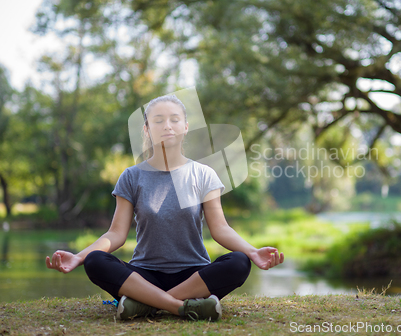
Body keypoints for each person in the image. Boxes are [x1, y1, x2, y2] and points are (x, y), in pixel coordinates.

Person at [45, 94, 284, 321]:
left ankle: (145, 304)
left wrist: (252, 252)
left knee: (239, 262)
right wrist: (78, 257)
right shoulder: (131, 177)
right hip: (143, 276)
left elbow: (220, 228)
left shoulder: (203, 175)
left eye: (174, 119)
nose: (167, 126)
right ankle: (180, 306)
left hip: (194, 276)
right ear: (147, 129)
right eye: (158, 121)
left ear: (186, 127)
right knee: (96, 261)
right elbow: (115, 234)